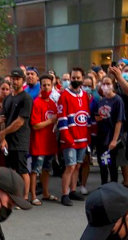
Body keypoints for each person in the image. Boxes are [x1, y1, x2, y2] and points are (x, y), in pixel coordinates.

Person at [57, 67, 91, 206]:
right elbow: (62, 119)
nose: (76, 80)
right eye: (73, 78)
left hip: (82, 139)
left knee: (77, 166)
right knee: (70, 167)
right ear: (70, 78)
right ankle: (64, 194)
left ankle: (72, 190)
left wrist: (88, 137)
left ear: (82, 78)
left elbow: (87, 117)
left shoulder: (84, 95)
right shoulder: (64, 95)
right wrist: (67, 138)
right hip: (69, 139)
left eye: (78, 77)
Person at [0, 68, 33, 201]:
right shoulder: (7, 99)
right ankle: (14, 195)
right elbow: (3, 120)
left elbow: (20, 122)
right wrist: (3, 138)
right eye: (13, 78)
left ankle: (24, 197)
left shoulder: (26, 98)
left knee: (22, 170)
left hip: (21, 140)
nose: (15, 81)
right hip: (8, 141)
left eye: (18, 79)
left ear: (22, 81)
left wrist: (3, 133)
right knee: (11, 170)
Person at [28, 75, 59, 205]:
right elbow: (35, 125)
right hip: (39, 143)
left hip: (50, 143)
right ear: (40, 87)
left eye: (48, 85)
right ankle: (34, 195)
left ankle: (45, 193)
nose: (46, 87)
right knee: (35, 170)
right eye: (44, 85)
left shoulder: (52, 103)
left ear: (52, 86)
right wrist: (51, 120)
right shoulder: (36, 103)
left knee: (46, 169)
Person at [93, 75, 125, 185]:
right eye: (103, 84)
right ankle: (104, 185)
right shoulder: (101, 101)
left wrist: (114, 140)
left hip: (111, 137)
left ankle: (114, 186)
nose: (105, 86)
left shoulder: (117, 100)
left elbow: (119, 121)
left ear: (113, 85)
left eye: (108, 84)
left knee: (112, 165)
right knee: (103, 163)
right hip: (102, 137)